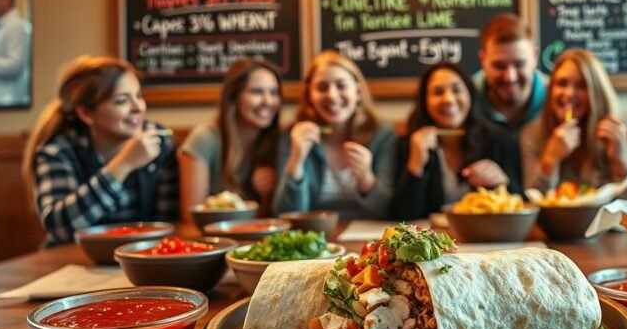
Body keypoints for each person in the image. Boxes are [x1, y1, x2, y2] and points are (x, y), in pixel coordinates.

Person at [21, 56, 178, 247]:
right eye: (121, 101)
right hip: (71, 261)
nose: (138, 108)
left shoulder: (160, 143)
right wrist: (123, 164)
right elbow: (60, 227)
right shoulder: (58, 151)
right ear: (86, 113)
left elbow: (166, 224)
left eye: (138, 96)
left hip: (140, 259)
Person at [273, 50, 396, 219]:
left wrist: (366, 178)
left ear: (358, 92)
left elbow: (390, 212)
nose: (332, 95)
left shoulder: (382, 134)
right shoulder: (294, 136)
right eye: (322, 87)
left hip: (370, 238)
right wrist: (296, 160)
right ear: (310, 96)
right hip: (317, 239)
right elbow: (286, 213)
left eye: (341, 85)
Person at [393, 62, 521, 220]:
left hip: (487, 239)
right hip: (434, 240)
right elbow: (402, 216)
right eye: (438, 92)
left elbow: (522, 203)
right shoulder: (409, 143)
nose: (448, 99)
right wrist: (415, 165)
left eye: (456, 90)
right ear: (424, 101)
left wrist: (502, 182)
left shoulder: (498, 138)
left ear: (470, 94)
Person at [178, 59, 281, 223]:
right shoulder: (204, 139)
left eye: (274, 92)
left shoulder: (277, 143)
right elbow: (191, 218)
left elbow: (267, 222)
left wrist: (267, 196)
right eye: (257, 92)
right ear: (234, 97)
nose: (268, 101)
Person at [519, 49, 627, 192]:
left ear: (596, 91)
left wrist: (621, 162)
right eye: (561, 83)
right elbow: (533, 202)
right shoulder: (532, 134)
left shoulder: (621, 130)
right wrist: (550, 161)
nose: (569, 93)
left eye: (581, 85)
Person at [473, 13, 547, 133]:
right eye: (499, 66)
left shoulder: (556, 98)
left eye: (519, 65)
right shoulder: (465, 98)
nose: (510, 77)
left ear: (535, 58)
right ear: (482, 60)